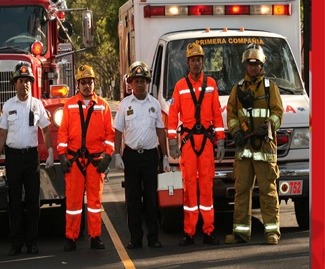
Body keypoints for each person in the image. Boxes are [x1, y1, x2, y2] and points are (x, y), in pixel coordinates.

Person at [167, 42, 225, 246]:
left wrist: (221, 142)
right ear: (188, 62)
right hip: (189, 142)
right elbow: (173, 116)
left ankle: (208, 231)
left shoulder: (211, 84)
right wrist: (172, 142)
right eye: (193, 60)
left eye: (199, 59)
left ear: (203, 62)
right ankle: (189, 232)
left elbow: (217, 114)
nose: (196, 63)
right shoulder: (180, 87)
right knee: (190, 185)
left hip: (207, 142)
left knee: (207, 186)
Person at [225, 44, 284, 245]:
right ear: (246, 65)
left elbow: (278, 113)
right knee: (241, 190)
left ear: (261, 65)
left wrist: (269, 125)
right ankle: (241, 232)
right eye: (250, 64)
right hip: (244, 149)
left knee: (268, 190)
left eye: (256, 64)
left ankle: (272, 232)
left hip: (265, 148)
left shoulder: (270, 88)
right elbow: (231, 114)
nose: (252, 67)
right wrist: (236, 131)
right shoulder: (237, 88)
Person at [0, 63, 53, 255]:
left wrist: (50, 152)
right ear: (15, 84)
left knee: (33, 202)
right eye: (21, 81)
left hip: (31, 158)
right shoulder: (8, 105)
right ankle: (16, 242)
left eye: (27, 81)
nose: (24, 85)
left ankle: (32, 242)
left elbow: (45, 129)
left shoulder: (37, 105)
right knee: (15, 202)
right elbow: (2, 134)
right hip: (13, 158)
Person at [57, 64, 114, 251]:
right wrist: (62, 156)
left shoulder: (103, 106)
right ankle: (71, 238)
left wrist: (107, 157)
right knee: (73, 203)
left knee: (95, 203)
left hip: (95, 162)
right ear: (78, 84)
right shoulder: (69, 105)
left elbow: (110, 135)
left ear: (94, 83)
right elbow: (63, 133)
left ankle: (95, 237)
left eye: (89, 82)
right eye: (83, 82)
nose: (86, 86)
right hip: (74, 161)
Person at [114, 61, 169, 249]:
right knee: (133, 199)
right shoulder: (124, 105)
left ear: (147, 82)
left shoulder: (154, 104)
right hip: (131, 157)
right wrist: (116, 154)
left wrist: (165, 156)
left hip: (150, 156)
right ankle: (135, 238)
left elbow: (161, 131)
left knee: (152, 199)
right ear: (130, 83)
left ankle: (153, 237)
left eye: (143, 81)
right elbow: (118, 131)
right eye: (136, 81)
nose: (139, 84)